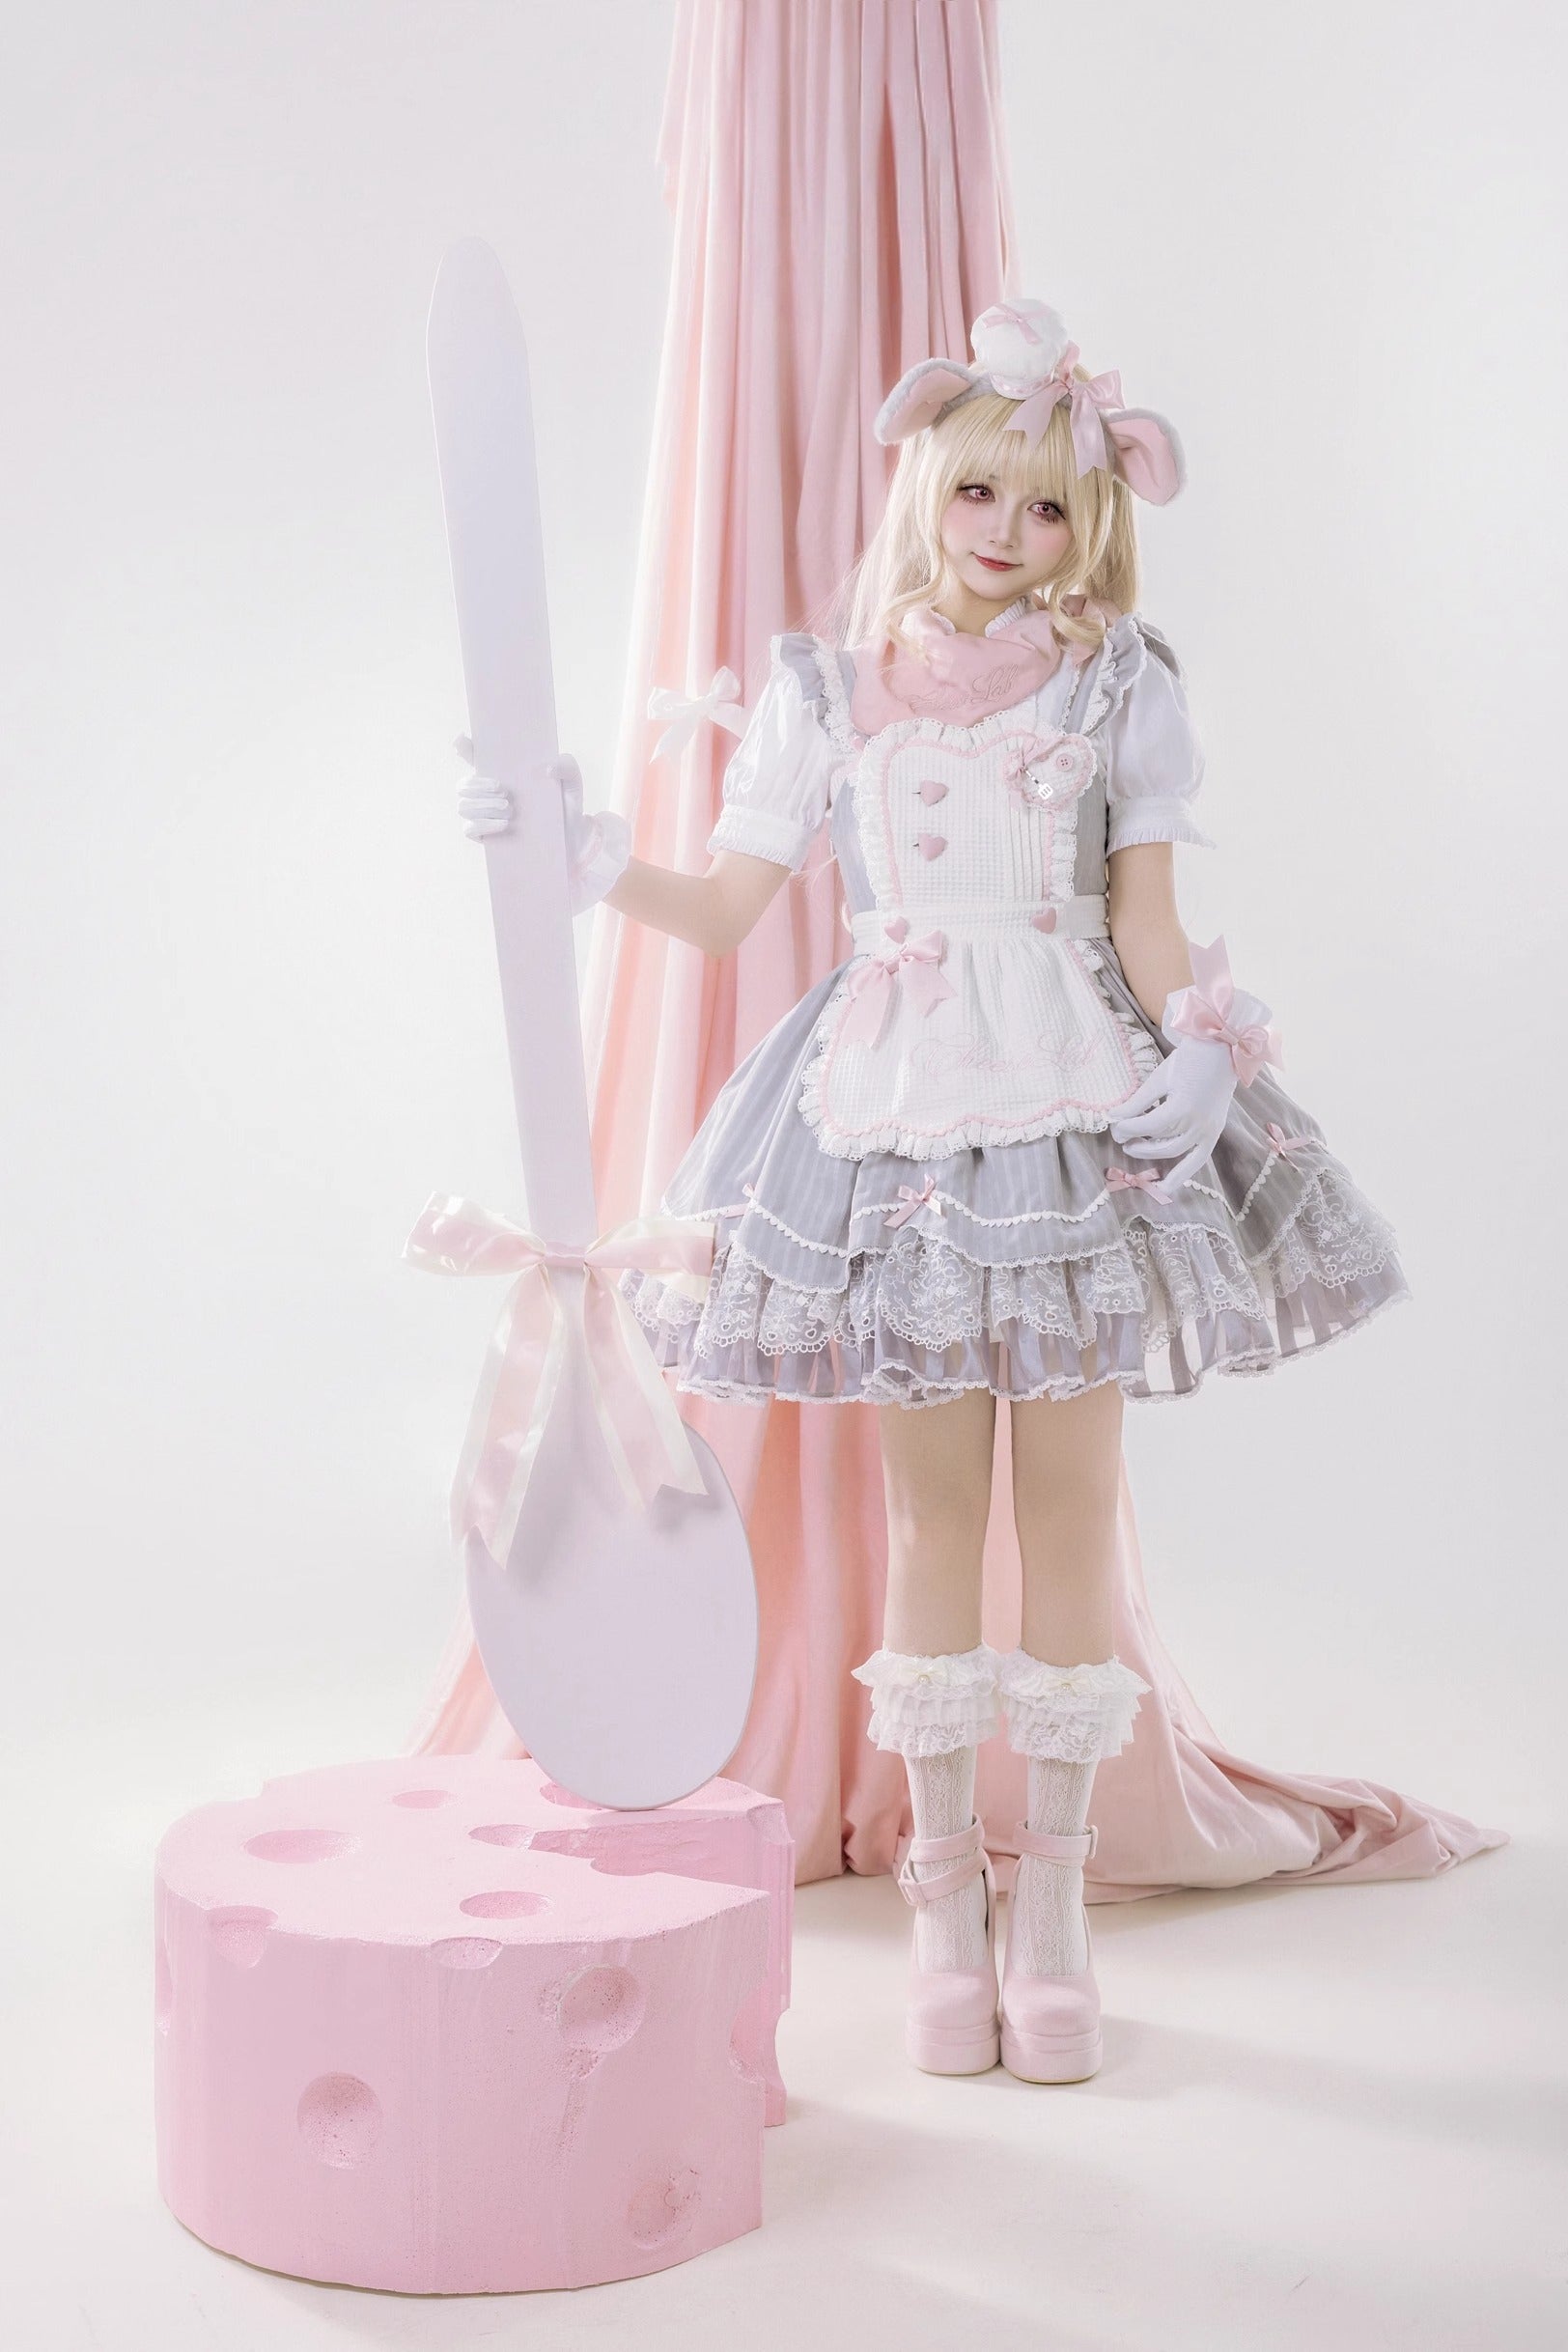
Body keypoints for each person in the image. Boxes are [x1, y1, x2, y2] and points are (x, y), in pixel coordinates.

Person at [457, 297, 1408, 2085]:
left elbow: (1141, 918)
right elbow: (730, 907)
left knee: (1072, 1508)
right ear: (925, 487)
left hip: (1070, 1097)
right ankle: (943, 1905)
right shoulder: (825, 691)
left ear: (1089, 522)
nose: (1007, 530)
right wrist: (592, 864)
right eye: (979, 489)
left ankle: (1051, 1909)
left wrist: (1201, 1045)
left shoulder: (1120, 684)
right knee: (929, 1521)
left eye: (1048, 505)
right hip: (889, 1113)